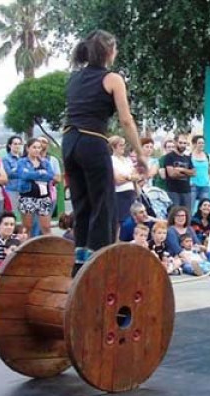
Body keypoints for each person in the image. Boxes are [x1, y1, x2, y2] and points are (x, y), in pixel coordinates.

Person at [63, 30, 148, 275]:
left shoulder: (74, 78)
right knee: (103, 205)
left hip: (70, 141)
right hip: (93, 141)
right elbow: (126, 119)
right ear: (109, 51)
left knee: (82, 205)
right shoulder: (112, 79)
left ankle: (79, 264)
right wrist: (140, 154)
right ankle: (99, 265)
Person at [16, 138, 56, 239]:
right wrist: (39, 173)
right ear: (28, 148)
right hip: (27, 197)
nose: (37, 150)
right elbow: (24, 175)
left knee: (46, 227)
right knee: (27, 227)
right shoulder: (22, 162)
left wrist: (34, 175)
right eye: (34, 147)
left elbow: (50, 176)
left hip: (43, 197)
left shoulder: (45, 162)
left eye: (39, 147)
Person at [110, 136, 140, 225]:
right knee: (121, 222)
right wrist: (131, 177)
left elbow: (137, 176)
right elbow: (117, 180)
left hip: (131, 193)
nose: (123, 147)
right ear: (113, 147)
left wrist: (127, 177)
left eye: (124, 145)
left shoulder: (128, 160)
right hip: (119, 194)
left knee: (133, 221)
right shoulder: (111, 160)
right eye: (120, 145)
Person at [161, 133, 196, 209]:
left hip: (186, 191)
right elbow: (172, 174)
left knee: (187, 215)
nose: (183, 145)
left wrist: (181, 169)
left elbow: (194, 173)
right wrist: (188, 173)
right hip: (173, 192)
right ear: (175, 142)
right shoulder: (169, 157)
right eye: (180, 143)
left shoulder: (187, 158)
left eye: (185, 143)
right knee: (174, 214)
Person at [189, 135, 210, 211]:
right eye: (199, 143)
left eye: (203, 143)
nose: (201, 145)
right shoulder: (190, 156)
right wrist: (190, 182)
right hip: (193, 186)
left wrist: (209, 182)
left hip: (205, 186)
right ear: (195, 144)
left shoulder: (207, 156)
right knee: (190, 208)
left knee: (205, 209)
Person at [3, 136, 24, 212]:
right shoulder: (6, 159)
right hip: (12, 189)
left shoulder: (23, 158)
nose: (17, 146)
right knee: (11, 213)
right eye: (15, 144)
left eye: (19, 144)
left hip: (23, 190)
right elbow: (9, 174)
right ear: (10, 145)